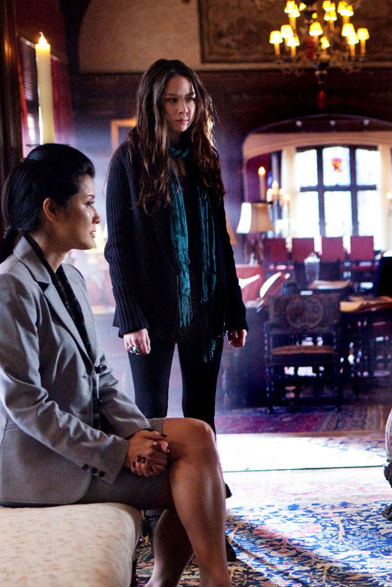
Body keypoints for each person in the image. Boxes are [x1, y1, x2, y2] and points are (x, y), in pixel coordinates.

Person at [0, 144, 286, 587]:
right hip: (36, 463)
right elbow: (25, 405)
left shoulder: (68, 276)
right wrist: (120, 451)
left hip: (77, 439)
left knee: (197, 438)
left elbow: (101, 377)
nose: (97, 216)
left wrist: (140, 434)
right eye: (88, 203)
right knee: (196, 475)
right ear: (52, 210)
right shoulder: (8, 287)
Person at [105, 59, 247, 432]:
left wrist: (235, 311)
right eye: (172, 100)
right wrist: (131, 319)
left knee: (201, 410)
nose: (184, 109)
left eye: (190, 98)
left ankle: (203, 468)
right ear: (154, 104)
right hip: (151, 309)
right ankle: (156, 472)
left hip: (206, 305)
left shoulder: (205, 158)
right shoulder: (128, 160)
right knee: (150, 410)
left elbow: (221, 243)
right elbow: (117, 248)